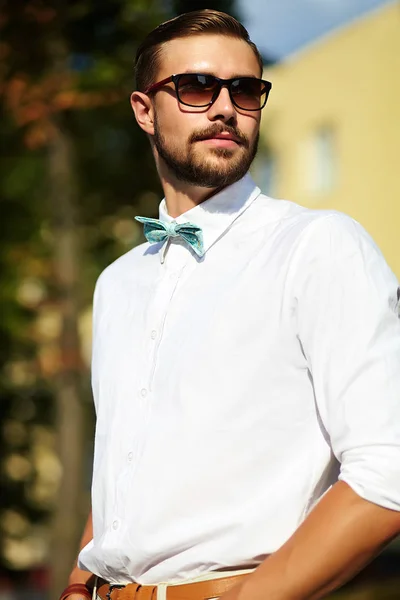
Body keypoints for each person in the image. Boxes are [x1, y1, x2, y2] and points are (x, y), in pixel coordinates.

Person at [60, 9, 400, 600]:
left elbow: (388, 468)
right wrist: (76, 583)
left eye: (244, 90)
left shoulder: (316, 247)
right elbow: (124, 461)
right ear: (144, 110)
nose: (224, 107)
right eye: (195, 87)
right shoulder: (118, 281)